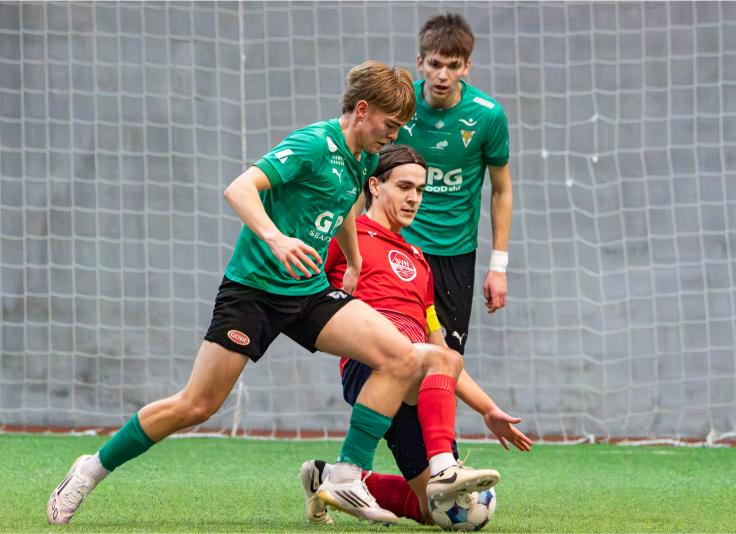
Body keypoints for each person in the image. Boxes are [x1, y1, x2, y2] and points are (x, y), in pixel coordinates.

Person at [47, 61, 483, 527]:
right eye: (389, 124)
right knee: (197, 405)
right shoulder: (313, 143)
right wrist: (276, 239)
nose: (393, 136)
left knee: (402, 356)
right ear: (361, 110)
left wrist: (354, 260)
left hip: (309, 291)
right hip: (253, 292)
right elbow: (239, 189)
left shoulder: (364, 158)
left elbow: (341, 207)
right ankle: (91, 468)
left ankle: (345, 475)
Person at [299, 144, 531, 525]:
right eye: (404, 186)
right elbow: (306, 290)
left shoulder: (420, 263)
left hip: (418, 377)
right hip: (371, 367)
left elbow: (443, 356)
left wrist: (488, 409)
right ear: (375, 185)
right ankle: (445, 467)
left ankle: (325, 476)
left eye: (420, 190)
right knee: (436, 360)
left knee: (435, 511)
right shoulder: (348, 234)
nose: (414, 198)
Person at [397, 13, 513, 355]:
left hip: (455, 254)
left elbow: (502, 191)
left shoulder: (488, 116)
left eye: (453, 66)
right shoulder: (399, 105)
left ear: (466, 67)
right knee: (393, 354)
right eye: (435, 64)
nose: (442, 75)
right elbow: (366, 174)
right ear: (420, 62)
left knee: (445, 360)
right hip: (401, 246)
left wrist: (498, 268)